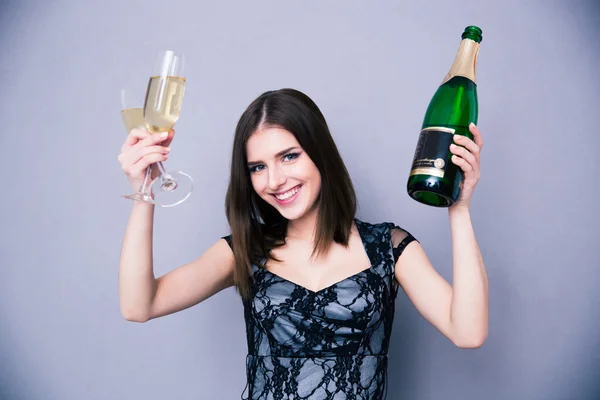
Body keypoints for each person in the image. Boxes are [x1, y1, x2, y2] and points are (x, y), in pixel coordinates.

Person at [117, 88, 489, 399]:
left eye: (289, 156)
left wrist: (459, 207)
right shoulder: (246, 250)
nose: (275, 180)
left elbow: (468, 331)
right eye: (258, 167)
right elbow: (139, 305)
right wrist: (143, 191)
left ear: (319, 154)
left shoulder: (388, 248)